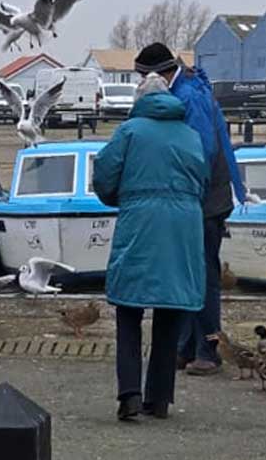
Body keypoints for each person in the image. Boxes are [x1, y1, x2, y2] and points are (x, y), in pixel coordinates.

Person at [91, 71, 208, 422]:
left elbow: (104, 175)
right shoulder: (190, 134)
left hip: (140, 221)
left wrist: (122, 198)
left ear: (139, 100)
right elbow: (202, 181)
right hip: (184, 225)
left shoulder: (129, 131)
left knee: (129, 310)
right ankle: (159, 399)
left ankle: (129, 394)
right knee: (171, 310)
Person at [132, 42, 246, 375]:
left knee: (202, 276)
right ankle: (185, 348)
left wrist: (183, 194)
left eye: (141, 77)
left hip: (203, 201)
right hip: (208, 198)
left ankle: (208, 351)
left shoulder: (188, 97)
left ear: (155, 75)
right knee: (189, 273)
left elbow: (201, 153)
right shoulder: (191, 88)